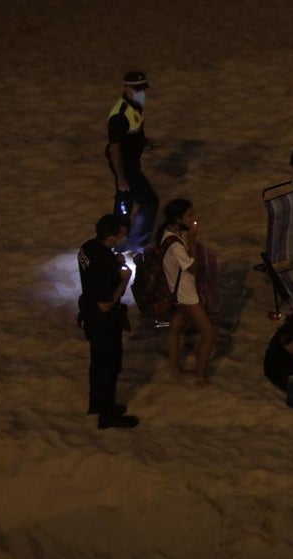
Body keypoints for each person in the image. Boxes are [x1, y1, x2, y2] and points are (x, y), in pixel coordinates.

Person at [77, 214, 139, 429]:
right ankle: (107, 415)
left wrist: (115, 261)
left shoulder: (88, 247)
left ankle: (97, 404)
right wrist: (123, 281)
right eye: (122, 236)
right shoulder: (103, 265)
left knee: (97, 364)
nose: (124, 239)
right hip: (103, 321)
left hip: (89, 316)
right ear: (112, 238)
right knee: (109, 367)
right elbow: (106, 304)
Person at [158, 199, 217, 386]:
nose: (194, 218)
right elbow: (192, 267)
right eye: (189, 215)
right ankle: (200, 376)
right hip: (186, 294)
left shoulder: (169, 232)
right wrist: (192, 241)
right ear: (178, 219)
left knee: (175, 328)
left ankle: (175, 366)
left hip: (176, 292)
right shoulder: (175, 244)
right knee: (209, 334)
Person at [105, 70, 158, 254]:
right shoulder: (119, 115)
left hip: (131, 163)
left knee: (125, 201)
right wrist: (121, 178)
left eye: (142, 88)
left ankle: (117, 238)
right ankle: (135, 242)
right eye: (136, 89)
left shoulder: (134, 106)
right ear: (127, 88)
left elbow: (134, 130)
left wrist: (143, 142)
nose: (141, 92)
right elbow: (114, 149)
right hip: (124, 166)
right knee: (148, 202)